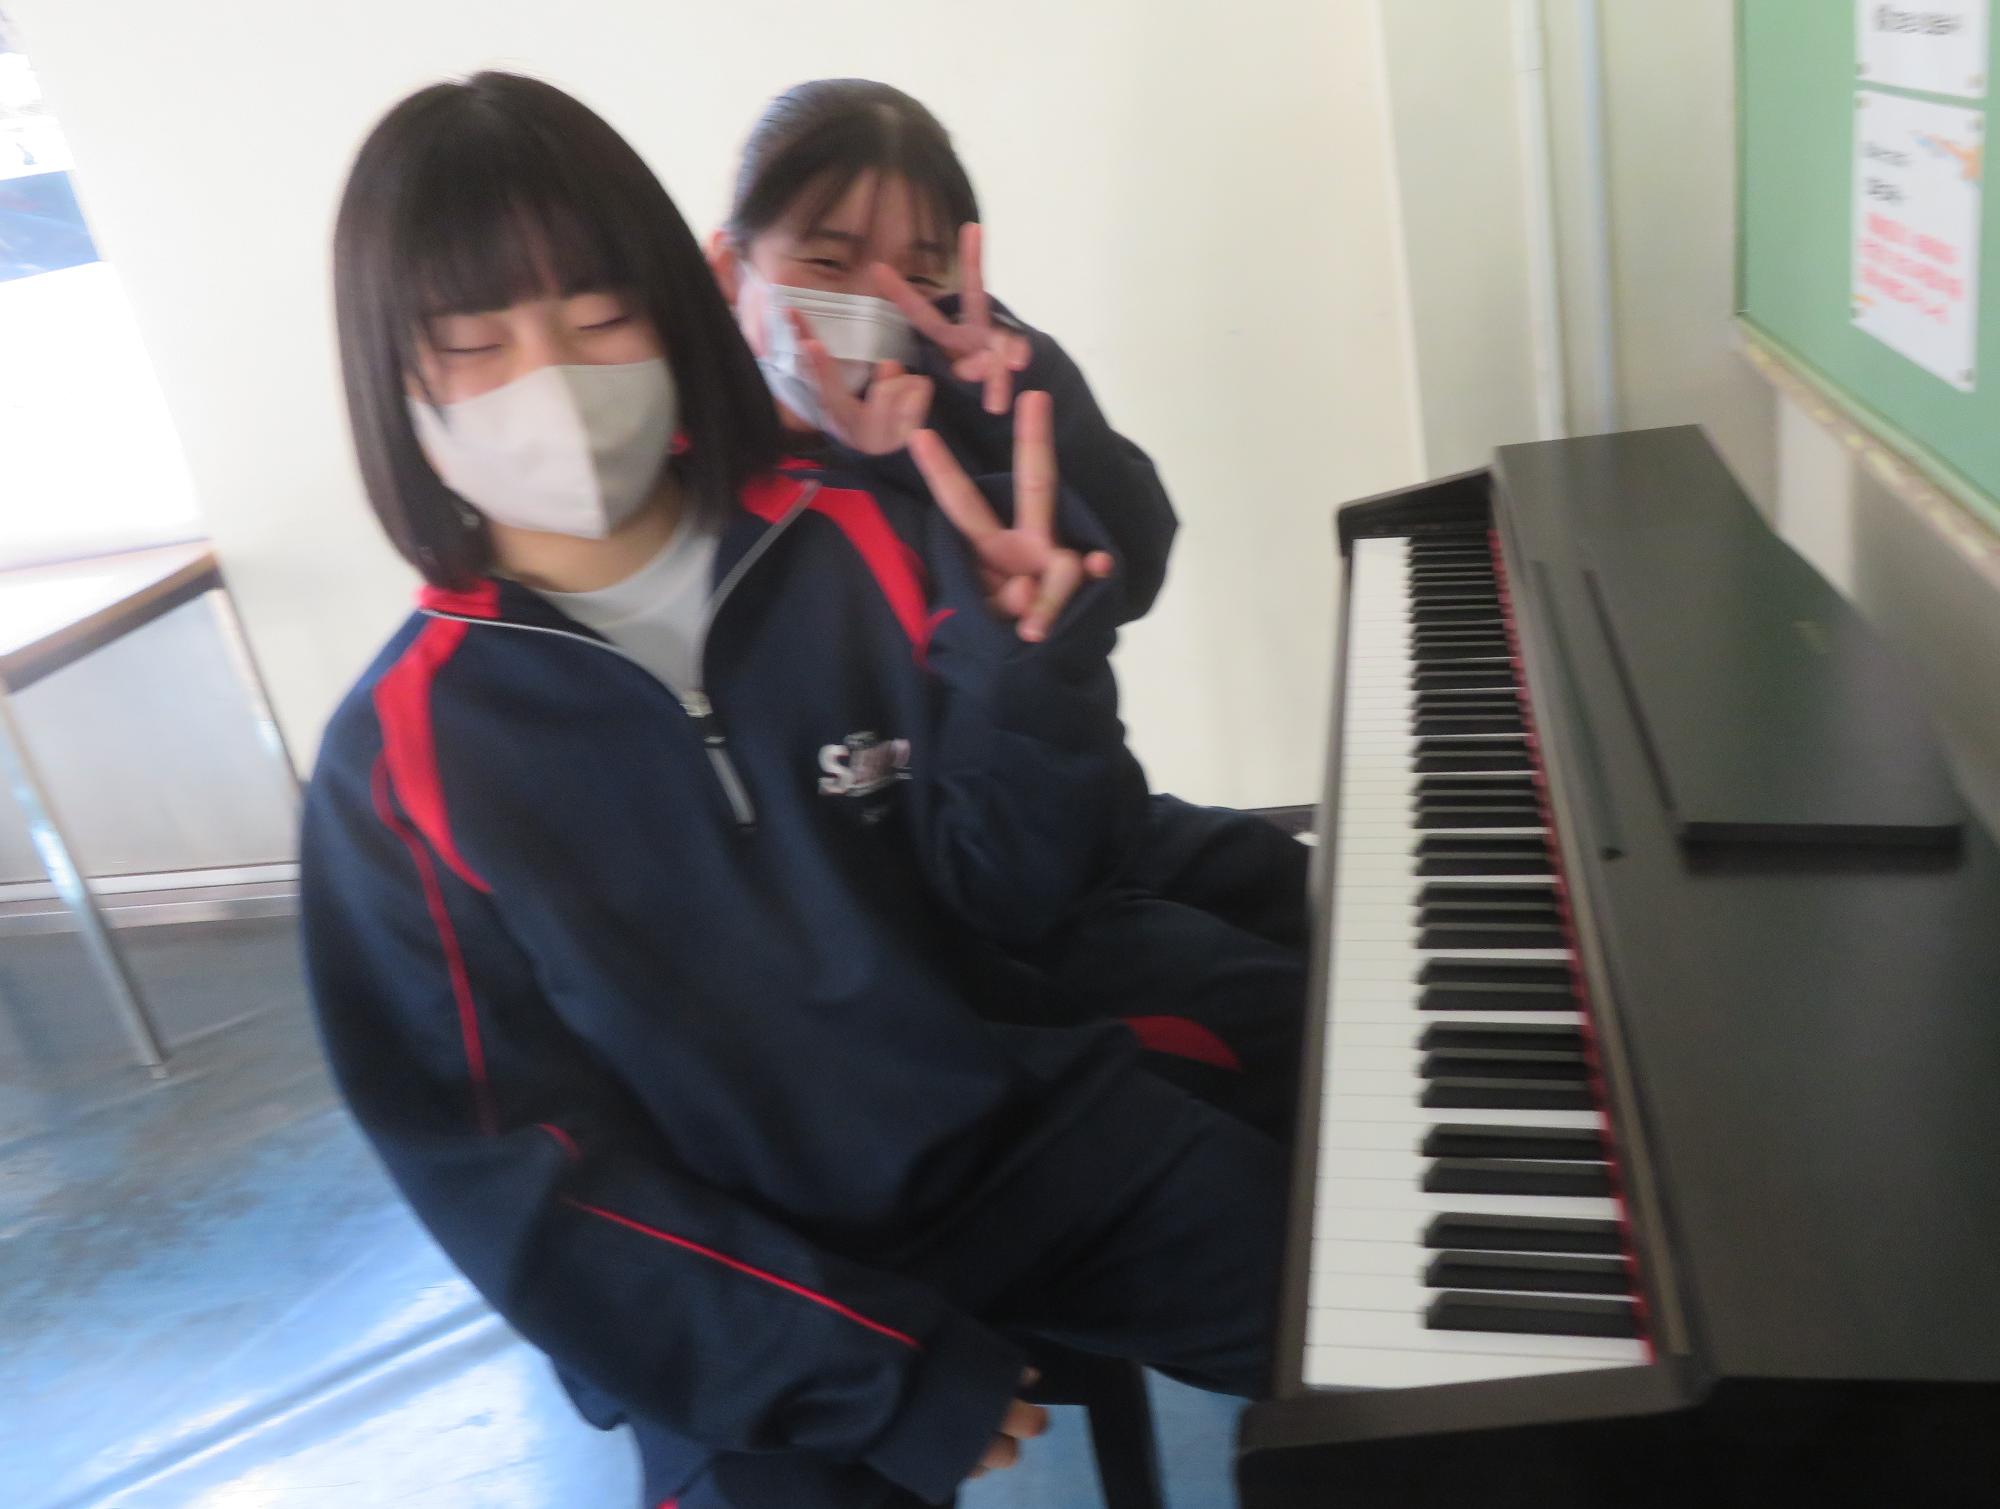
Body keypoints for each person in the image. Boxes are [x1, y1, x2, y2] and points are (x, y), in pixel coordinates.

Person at [304, 72, 1284, 1509]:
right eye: (473, 344)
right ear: (395, 379)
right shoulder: (396, 764)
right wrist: (858, 1371)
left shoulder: (862, 540)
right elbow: (507, 1174)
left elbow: (1019, 894)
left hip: (1031, 1145)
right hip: (748, 1285)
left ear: (669, 307)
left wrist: (1033, 681)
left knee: (1425, 1347)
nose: (551, 382)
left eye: (597, 317)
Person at [706, 79, 1308, 1137]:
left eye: (916, 273)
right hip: (974, 906)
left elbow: (1133, 563)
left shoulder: (954, 386)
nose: (874, 304)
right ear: (729, 268)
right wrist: (875, 469)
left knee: (1304, 885)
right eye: (828, 263)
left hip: (1077, 814)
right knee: (1299, 1022)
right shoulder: (715, 493)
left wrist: (1029, 394)